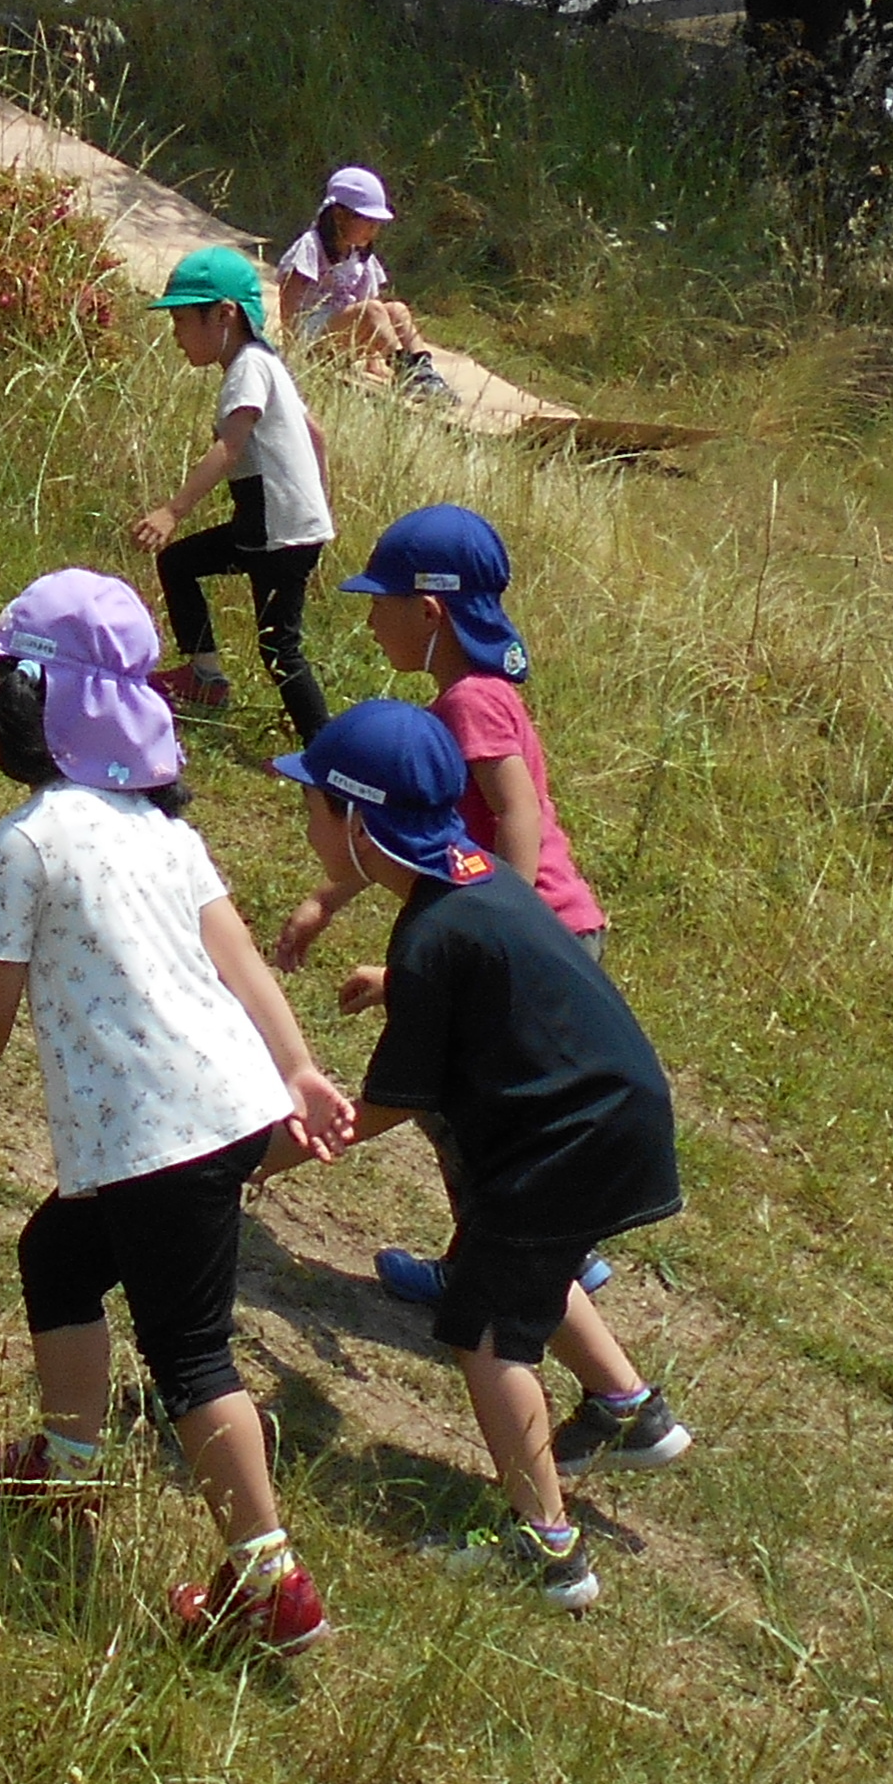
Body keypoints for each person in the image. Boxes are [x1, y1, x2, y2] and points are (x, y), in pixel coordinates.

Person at [0, 570, 357, 1660]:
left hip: (154, 1142)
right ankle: (67, 1469)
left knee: (190, 1360)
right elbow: (239, 963)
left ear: (34, 703)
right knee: (59, 1259)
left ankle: (270, 1582)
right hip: (221, 1114)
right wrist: (298, 1069)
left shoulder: (26, 841)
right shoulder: (162, 834)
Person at [282, 509, 694, 1464]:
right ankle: (532, 1265)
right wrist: (328, 900)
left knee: (484, 1138)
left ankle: (535, 1262)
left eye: (381, 602)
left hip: (535, 933)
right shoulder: (471, 691)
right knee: (471, 1137)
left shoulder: (469, 703)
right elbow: (411, 825)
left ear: (428, 610)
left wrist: (487, 935)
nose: (370, 620)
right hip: (515, 932)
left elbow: (511, 818)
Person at [274, 699, 692, 1605]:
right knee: (514, 1265)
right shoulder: (468, 882)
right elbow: (500, 960)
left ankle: (549, 1554)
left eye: (312, 802)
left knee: (485, 1330)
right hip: (607, 1119)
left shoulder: (432, 932)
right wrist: (401, 981)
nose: (305, 818)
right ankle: (626, 1411)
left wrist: (274, 1156)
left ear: (356, 818)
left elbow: (388, 1102)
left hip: (572, 1140)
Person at [130, 246, 332, 738]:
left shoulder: (247, 366)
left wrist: (173, 511)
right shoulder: (267, 362)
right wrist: (322, 515)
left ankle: (324, 755)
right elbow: (317, 433)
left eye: (181, 322)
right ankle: (205, 678)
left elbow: (231, 445)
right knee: (178, 564)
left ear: (224, 315)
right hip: (275, 526)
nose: (176, 337)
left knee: (278, 645)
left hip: (275, 531)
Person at [274, 166, 440, 391]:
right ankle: (404, 370)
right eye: (367, 220)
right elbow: (289, 296)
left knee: (397, 310)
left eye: (377, 223)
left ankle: (423, 368)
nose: (374, 229)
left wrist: (372, 361)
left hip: (342, 338)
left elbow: (370, 306)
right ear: (339, 215)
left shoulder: (360, 257)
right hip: (312, 338)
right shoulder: (312, 246)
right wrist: (291, 349)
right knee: (372, 310)